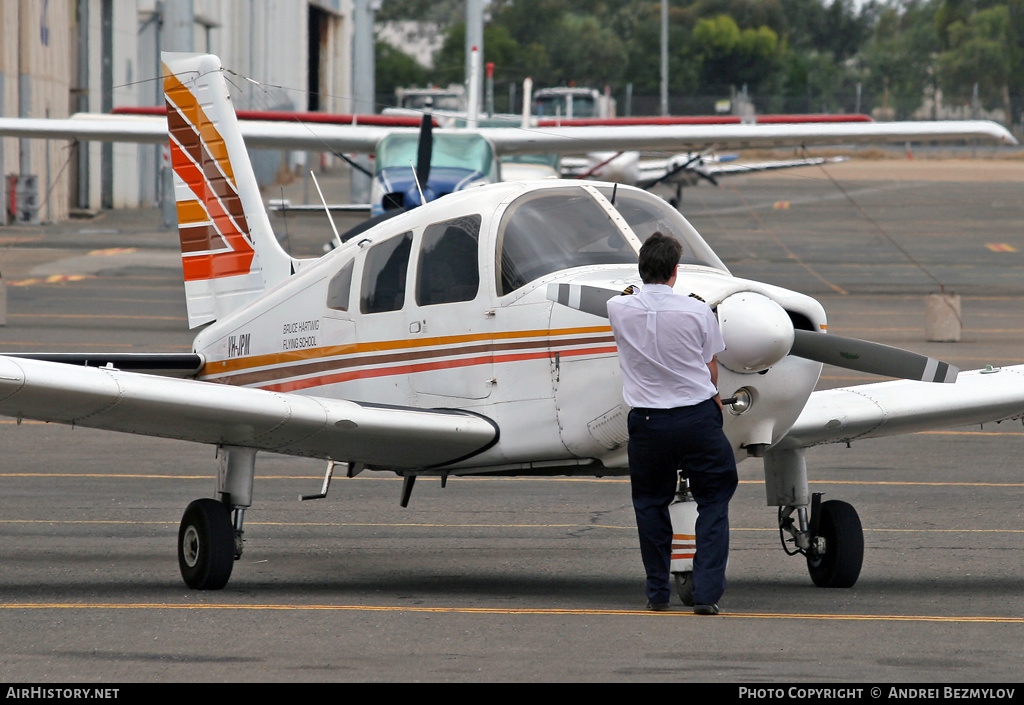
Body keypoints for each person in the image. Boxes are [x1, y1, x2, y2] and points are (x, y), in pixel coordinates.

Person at [606, 231, 738, 615]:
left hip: (647, 424)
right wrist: (712, 392)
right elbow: (711, 365)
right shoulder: (698, 311)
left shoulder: (619, 307)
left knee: (649, 503)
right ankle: (707, 593)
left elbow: (623, 297)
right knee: (713, 500)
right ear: (675, 272)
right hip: (697, 419)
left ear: (642, 269)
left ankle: (657, 592)